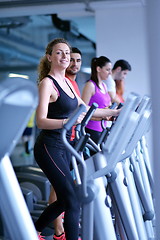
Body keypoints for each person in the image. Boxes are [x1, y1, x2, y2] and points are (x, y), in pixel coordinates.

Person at [34, 38, 120, 240]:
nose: (64, 56)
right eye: (59, 53)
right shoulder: (48, 83)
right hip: (49, 147)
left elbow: (88, 110)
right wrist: (67, 122)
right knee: (72, 199)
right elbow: (41, 121)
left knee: (66, 200)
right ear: (49, 57)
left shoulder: (68, 83)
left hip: (65, 146)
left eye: (67, 52)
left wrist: (115, 113)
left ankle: (32, 231)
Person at [48, 47, 82, 240]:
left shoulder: (72, 85)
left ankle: (46, 229)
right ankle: (59, 230)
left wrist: (112, 114)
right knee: (63, 192)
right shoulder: (54, 83)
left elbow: (83, 111)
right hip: (57, 142)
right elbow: (42, 119)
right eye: (71, 59)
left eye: (77, 60)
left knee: (68, 194)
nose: (73, 63)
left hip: (71, 141)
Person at [81, 56, 112, 145]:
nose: (110, 73)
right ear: (98, 69)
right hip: (91, 130)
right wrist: (99, 118)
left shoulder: (104, 86)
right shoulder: (90, 85)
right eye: (107, 69)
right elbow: (83, 110)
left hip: (103, 128)